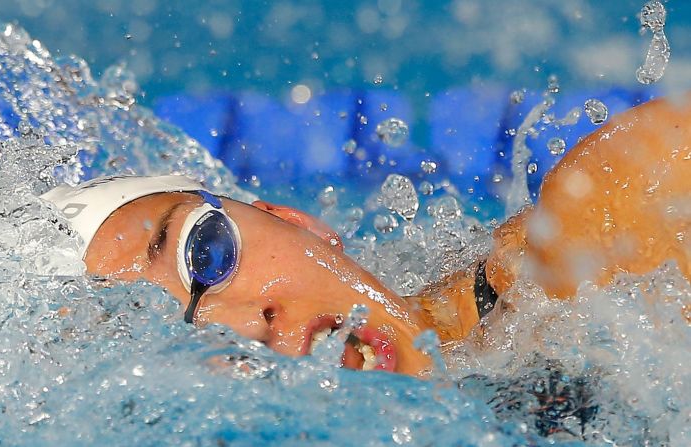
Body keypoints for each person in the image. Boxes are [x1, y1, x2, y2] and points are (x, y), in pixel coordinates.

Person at [41, 94, 691, 378]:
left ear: (296, 222)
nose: (251, 324)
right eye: (177, 344)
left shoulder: (610, 230)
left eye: (205, 251)